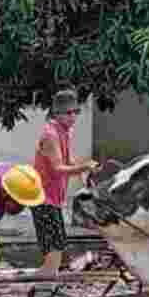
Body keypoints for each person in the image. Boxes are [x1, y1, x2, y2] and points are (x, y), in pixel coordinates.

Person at [32, 89, 98, 275]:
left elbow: (68, 161)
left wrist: (84, 172)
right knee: (53, 246)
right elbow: (58, 168)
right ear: (57, 113)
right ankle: (46, 285)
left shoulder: (65, 132)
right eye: (68, 113)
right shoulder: (51, 134)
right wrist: (84, 167)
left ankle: (48, 281)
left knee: (58, 242)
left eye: (76, 112)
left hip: (54, 198)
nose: (73, 117)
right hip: (42, 198)